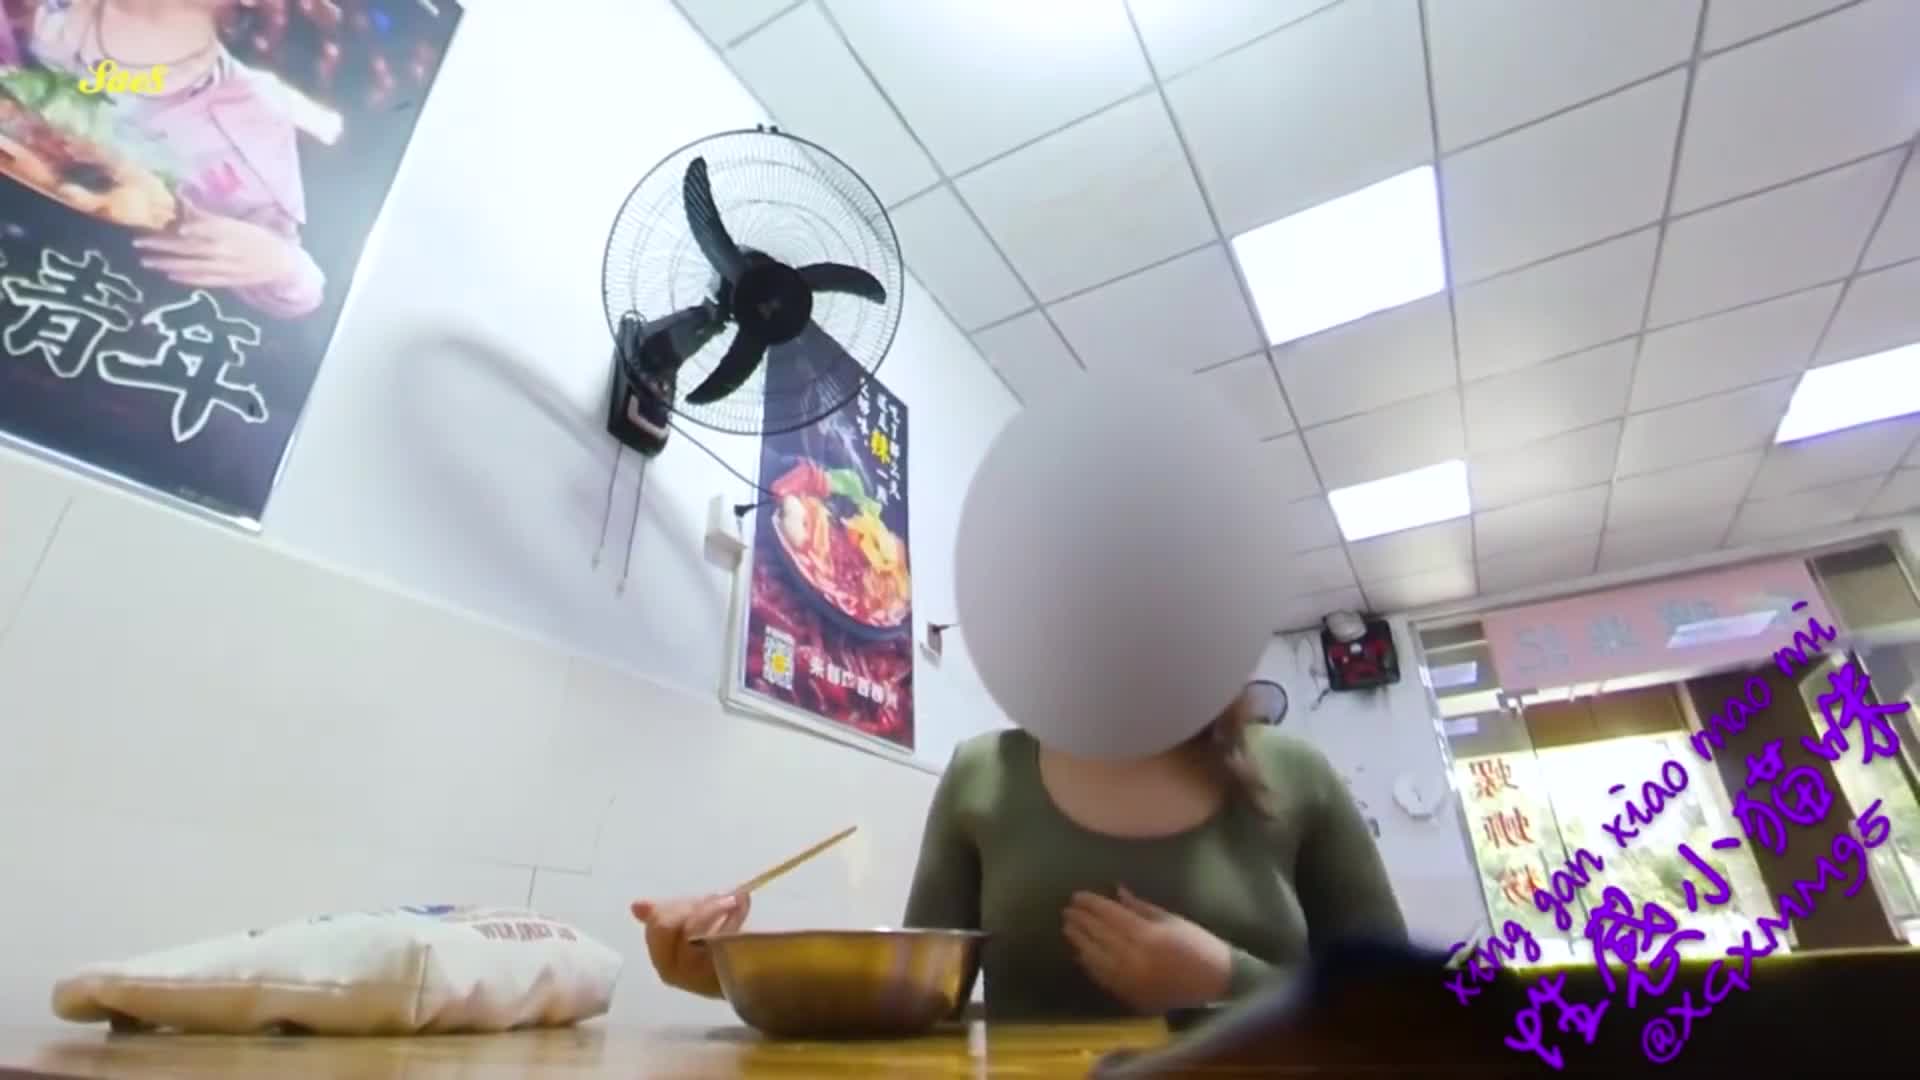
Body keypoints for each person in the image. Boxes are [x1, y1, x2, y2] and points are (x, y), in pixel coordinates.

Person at [632, 689, 1407, 1020]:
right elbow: (914, 1006)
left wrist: (1225, 981)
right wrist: (731, 972)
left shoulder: (1298, 772)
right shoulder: (981, 772)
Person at [7, 0, 325, 317]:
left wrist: (282, 264)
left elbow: (291, 275)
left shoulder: (252, 112)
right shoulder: (29, 15)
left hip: (67, 303)